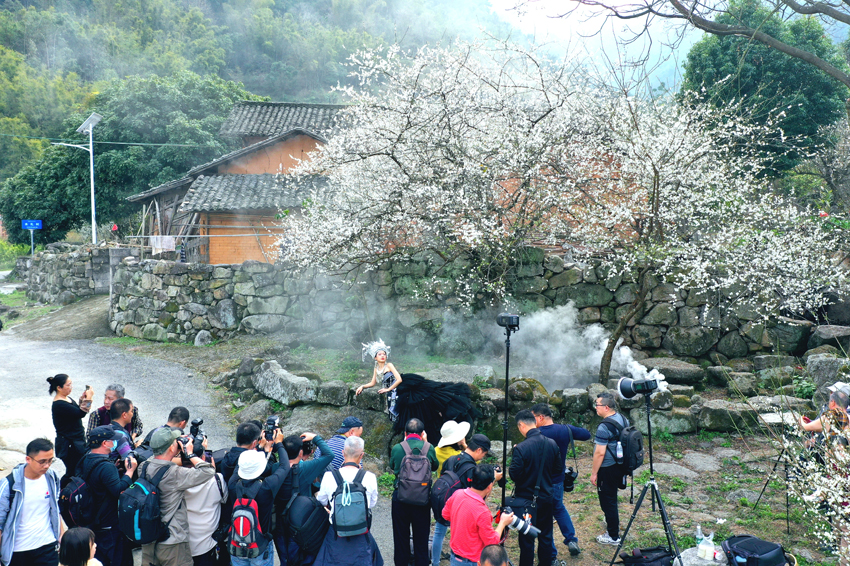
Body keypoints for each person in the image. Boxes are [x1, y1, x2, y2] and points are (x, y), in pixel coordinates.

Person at [355, 340, 476, 444]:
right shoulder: (376, 368)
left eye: (384, 354)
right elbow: (373, 382)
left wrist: (388, 389)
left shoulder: (389, 365)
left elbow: (399, 379)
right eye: (379, 354)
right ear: (375, 357)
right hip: (395, 389)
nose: (382, 356)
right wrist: (362, 386)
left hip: (403, 385)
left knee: (424, 398)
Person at [140, 428, 215, 566]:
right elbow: (208, 470)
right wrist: (190, 453)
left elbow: (156, 458)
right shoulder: (175, 474)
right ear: (171, 447)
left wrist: (173, 450)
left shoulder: (143, 467)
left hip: (149, 538)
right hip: (172, 542)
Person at [531, 403, 591, 557]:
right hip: (558, 479)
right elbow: (586, 434)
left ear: (541, 417)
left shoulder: (535, 434)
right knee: (558, 508)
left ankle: (551, 553)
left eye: (533, 418)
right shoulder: (565, 430)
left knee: (544, 516)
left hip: (540, 481)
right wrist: (570, 430)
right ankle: (571, 539)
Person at [313, 436, 383, 566]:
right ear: (361, 455)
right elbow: (371, 504)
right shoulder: (369, 477)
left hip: (336, 533)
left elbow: (321, 501)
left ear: (342, 453)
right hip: (361, 532)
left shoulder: (330, 476)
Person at [225, 434, 291, 566]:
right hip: (260, 545)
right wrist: (278, 443)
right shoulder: (266, 488)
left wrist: (259, 448)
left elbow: (241, 466)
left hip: (237, 543)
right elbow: (285, 466)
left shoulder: (233, 484)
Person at [76, 426, 137, 566]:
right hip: (108, 524)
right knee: (118, 559)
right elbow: (118, 490)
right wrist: (130, 472)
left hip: (92, 518)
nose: (114, 443)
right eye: (112, 440)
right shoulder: (106, 466)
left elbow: (98, 481)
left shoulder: (86, 458)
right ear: (104, 443)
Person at [509, 409, 561, 566]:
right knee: (545, 536)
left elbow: (514, 475)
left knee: (526, 539)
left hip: (526, 500)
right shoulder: (551, 443)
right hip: (546, 496)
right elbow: (557, 470)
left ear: (522, 425)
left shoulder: (521, 448)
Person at [272, 432, 333, 565]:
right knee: (303, 558)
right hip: (301, 522)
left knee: (285, 559)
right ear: (301, 453)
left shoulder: (275, 468)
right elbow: (329, 455)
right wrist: (316, 437)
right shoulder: (305, 468)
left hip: (279, 523)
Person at [0, 438, 64, 566]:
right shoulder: (9, 485)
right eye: (42, 462)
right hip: (18, 551)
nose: (47, 465)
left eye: (50, 461)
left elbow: (55, 509)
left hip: (47, 546)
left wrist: (61, 536)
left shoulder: (52, 477)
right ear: (28, 459)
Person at [441, 465, 514, 566]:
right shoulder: (482, 512)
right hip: (472, 561)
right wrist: (502, 523)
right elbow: (491, 542)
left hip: (455, 557)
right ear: (489, 487)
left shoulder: (458, 494)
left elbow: (445, 514)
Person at [389, 418, 438, 566]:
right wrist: (426, 442)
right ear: (422, 433)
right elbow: (434, 466)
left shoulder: (398, 448)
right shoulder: (429, 448)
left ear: (405, 433)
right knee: (421, 538)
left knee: (401, 537)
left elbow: (393, 466)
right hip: (422, 498)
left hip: (401, 497)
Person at [591, 392, 628, 546]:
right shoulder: (622, 418)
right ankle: (611, 521)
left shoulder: (604, 426)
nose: (595, 408)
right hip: (619, 465)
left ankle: (613, 536)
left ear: (606, 407)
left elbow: (600, 452)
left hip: (607, 468)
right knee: (611, 498)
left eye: (597, 405)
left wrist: (594, 473)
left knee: (608, 501)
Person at [49, 374, 93, 486]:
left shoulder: (65, 398)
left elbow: (75, 410)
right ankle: (62, 492)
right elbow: (80, 413)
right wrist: (89, 398)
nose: (71, 387)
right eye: (68, 385)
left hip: (76, 441)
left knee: (77, 470)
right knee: (73, 472)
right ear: (59, 388)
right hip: (69, 444)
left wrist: (83, 399)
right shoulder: (59, 404)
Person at [184, 467, 227, 566]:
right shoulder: (216, 479)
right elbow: (224, 499)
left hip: (185, 542)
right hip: (209, 542)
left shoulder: (176, 479)